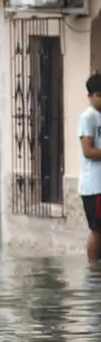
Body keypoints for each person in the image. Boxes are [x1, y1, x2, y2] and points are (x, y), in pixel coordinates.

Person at [78, 73, 101, 261]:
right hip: (94, 186)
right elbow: (88, 151)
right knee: (97, 229)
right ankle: (93, 272)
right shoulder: (88, 117)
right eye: (99, 95)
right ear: (90, 96)